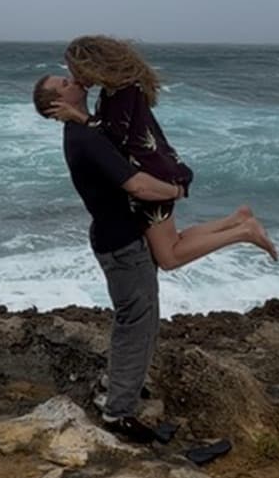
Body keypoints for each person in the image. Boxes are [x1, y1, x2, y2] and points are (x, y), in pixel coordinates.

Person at [33, 74, 185, 443]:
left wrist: (85, 117)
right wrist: (178, 190)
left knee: (132, 318)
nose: (74, 79)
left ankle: (117, 383)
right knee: (139, 323)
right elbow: (137, 185)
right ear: (57, 103)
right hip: (123, 246)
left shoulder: (86, 130)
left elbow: (109, 140)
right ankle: (118, 412)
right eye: (65, 81)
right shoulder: (83, 137)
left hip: (116, 239)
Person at [48, 35, 278, 266]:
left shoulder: (120, 92)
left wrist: (80, 117)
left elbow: (112, 138)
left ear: (92, 64)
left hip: (151, 173)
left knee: (169, 257)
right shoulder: (122, 86)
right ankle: (237, 220)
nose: (74, 77)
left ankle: (244, 232)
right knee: (172, 242)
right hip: (156, 165)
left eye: (75, 70)